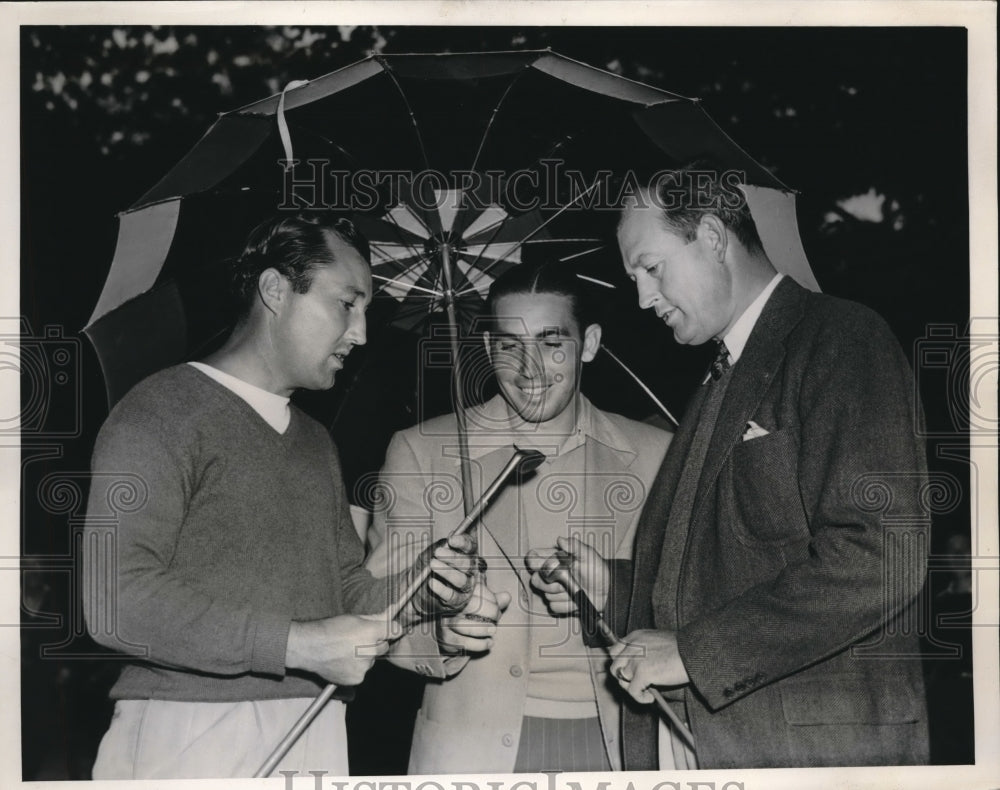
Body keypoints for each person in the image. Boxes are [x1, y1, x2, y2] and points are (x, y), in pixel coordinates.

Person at [532, 165, 930, 769]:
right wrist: (612, 589)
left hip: (812, 754)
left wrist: (694, 655)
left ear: (713, 236)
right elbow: (726, 568)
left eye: (651, 267)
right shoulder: (721, 373)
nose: (642, 298)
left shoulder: (842, 338)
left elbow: (882, 556)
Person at [82, 214, 476, 779]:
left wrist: (418, 592)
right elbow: (113, 599)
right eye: (347, 303)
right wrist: (297, 646)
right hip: (191, 732)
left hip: (316, 726)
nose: (362, 332)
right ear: (275, 290)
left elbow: (345, 589)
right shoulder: (160, 410)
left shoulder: (316, 442)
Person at [364, 260, 672, 773]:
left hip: (624, 748)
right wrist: (439, 634)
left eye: (553, 344)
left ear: (589, 344)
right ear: (488, 351)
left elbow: (688, 604)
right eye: (510, 346)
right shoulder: (420, 451)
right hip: (472, 751)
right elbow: (376, 609)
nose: (529, 370)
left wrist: (613, 589)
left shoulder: (657, 454)